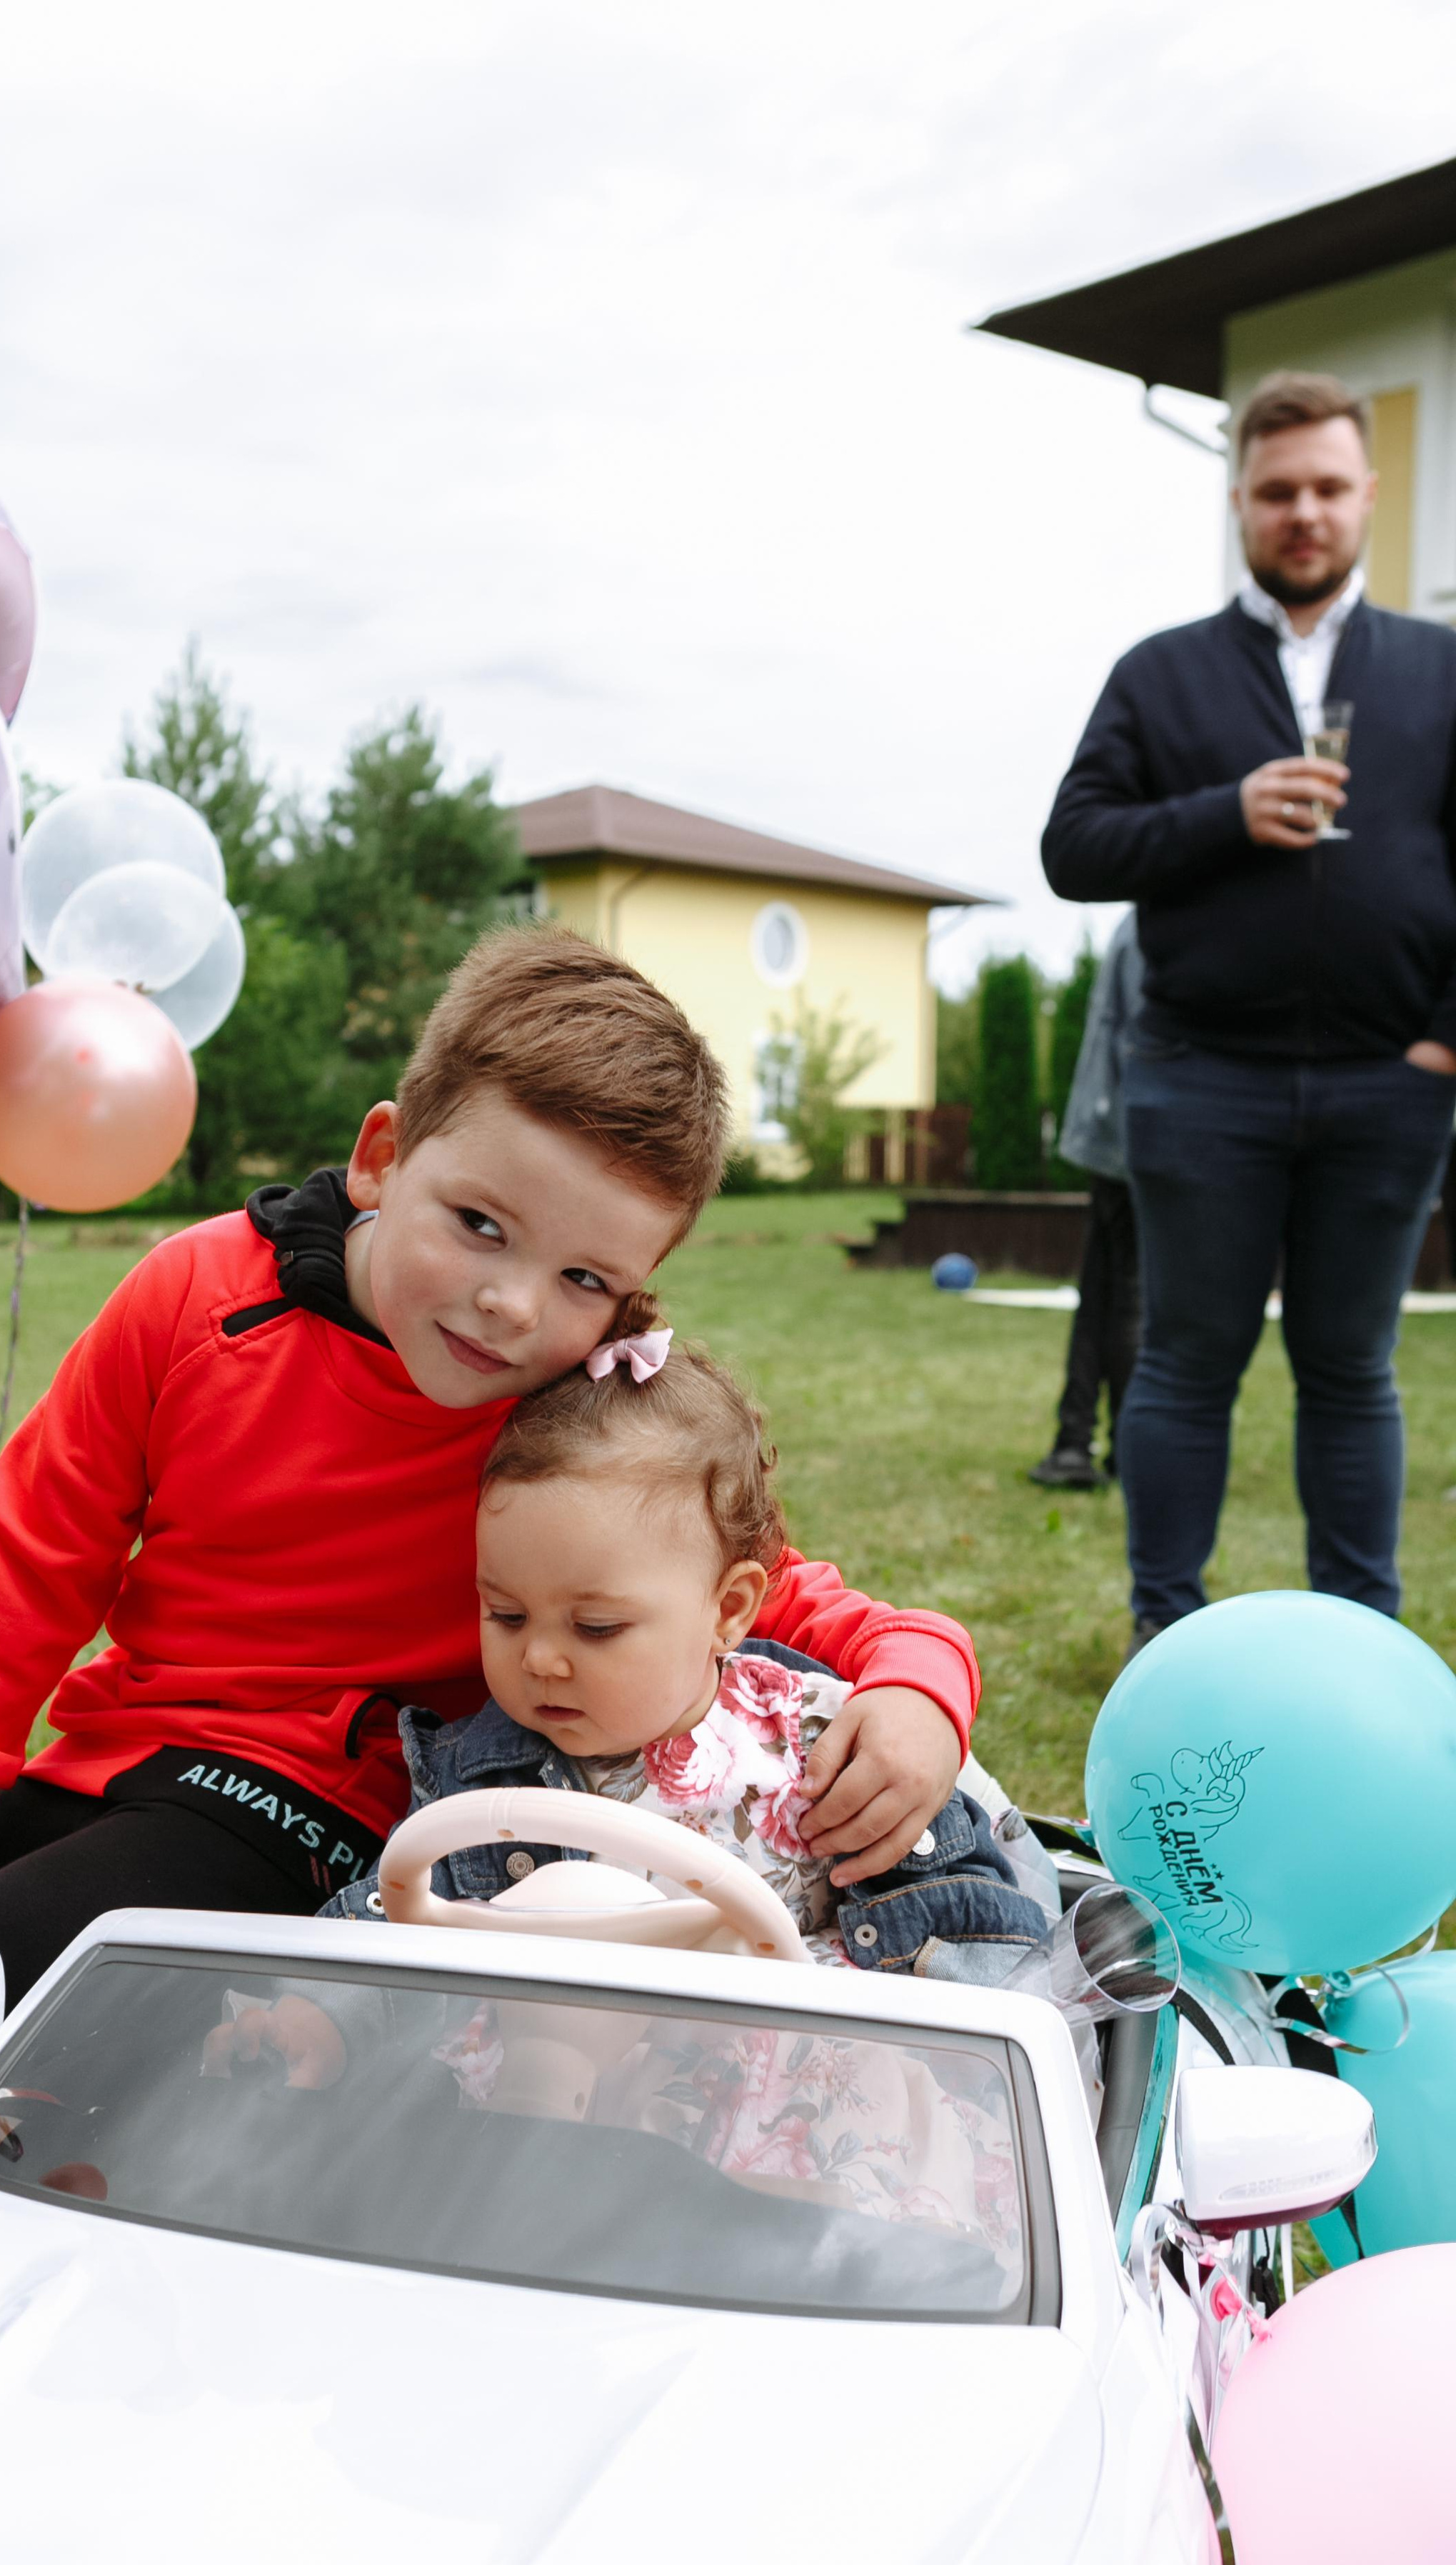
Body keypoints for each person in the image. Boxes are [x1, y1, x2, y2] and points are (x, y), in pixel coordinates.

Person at [0, 929, 981, 2125]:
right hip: (142, 1757)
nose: (512, 1303)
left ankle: (143, 2203)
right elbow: (25, 1569)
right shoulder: (193, 1302)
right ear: (383, 1158)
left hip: (354, 1808)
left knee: (21, 1952)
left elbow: (744, 1588)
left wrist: (918, 1681)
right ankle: (40, 2197)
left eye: (586, 1280)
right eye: (479, 1222)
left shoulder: (568, 1414)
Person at [1041, 371, 1456, 1651]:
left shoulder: (1441, 670)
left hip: (1389, 1082)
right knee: (1184, 1366)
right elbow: (1074, 848)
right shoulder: (1159, 676)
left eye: (1329, 488)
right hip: (1200, 1077)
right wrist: (1224, 812)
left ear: (1369, 495)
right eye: (1278, 491)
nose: (1305, 513)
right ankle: (1168, 1634)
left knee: (1350, 1370)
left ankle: (1362, 1648)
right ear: (1239, 503)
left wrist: (1445, 1041)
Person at [303, 1334, 1051, 1976]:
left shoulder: (817, 1743)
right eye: (505, 1614)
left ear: (726, 1611)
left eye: (595, 1627)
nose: (539, 1659)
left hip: (795, 2074)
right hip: (574, 2082)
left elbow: (976, 1930)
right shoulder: (474, 1771)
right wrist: (323, 2009)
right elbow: (399, 1912)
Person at [1029, 916, 1143, 1492]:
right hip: (1138, 1144)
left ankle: (1076, 1440)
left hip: (1111, 1141)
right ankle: (1121, 1448)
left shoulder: (1132, 925)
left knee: (1100, 1295)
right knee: (1127, 1300)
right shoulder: (1153, 929)